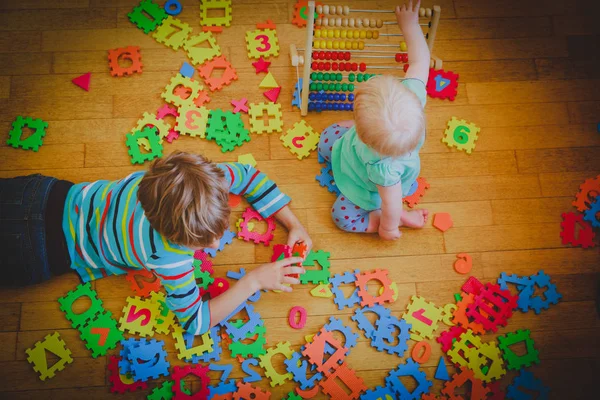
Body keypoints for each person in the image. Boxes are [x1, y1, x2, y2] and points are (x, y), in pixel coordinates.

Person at [0, 151, 312, 336]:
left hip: (37, 195)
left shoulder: (180, 180)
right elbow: (196, 322)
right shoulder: (167, 256)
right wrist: (254, 281)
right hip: (35, 251)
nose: (217, 242)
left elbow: (248, 176)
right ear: (174, 239)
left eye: (220, 226)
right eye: (202, 242)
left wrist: (294, 224)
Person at [317, 0, 430, 240]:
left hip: (364, 189)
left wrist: (388, 227)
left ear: (365, 137)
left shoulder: (385, 171)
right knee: (326, 139)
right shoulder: (412, 95)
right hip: (348, 153)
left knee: (341, 217)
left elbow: (391, 204)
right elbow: (420, 61)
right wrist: (410, 25)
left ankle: (399, 218)